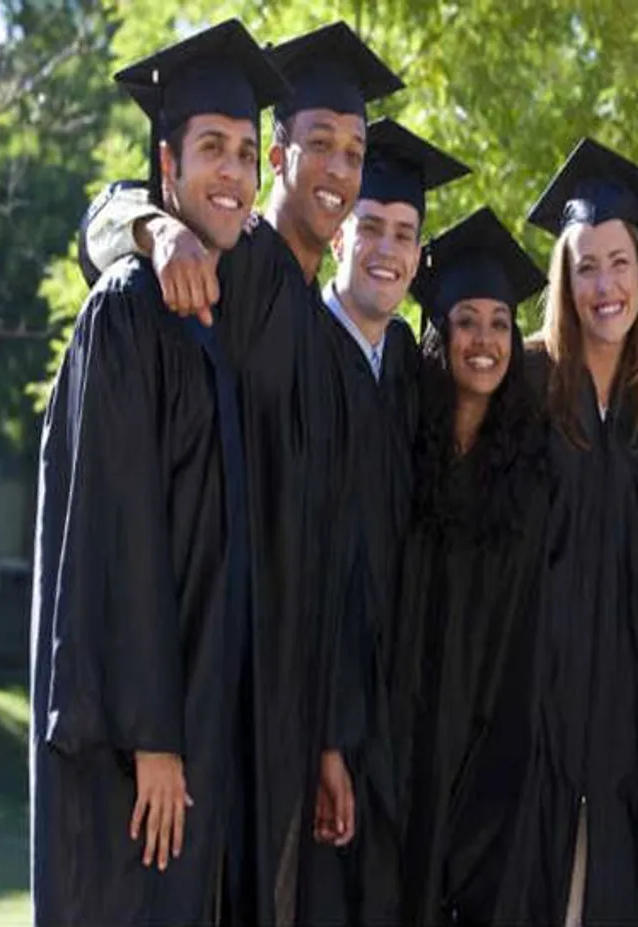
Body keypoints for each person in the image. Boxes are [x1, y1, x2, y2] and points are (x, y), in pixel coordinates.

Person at [75, 21, 407, 922]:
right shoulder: (233, 262)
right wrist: (148, 224)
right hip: (209, 686)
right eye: (320, 146)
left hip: (285, 712)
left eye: (356, 149)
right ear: (280, 156)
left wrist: (333, 737)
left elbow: (332, 547)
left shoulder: (332, 344)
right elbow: (103, 215)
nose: (340, 170)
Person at [30, 21, 288, 925]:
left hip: (204, 732)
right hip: (138, 753)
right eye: (211, 147)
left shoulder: (226, 302)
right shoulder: (130, 310)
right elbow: (119, 534)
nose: (232, 169)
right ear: (166, 168)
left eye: (248, 152)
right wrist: (157, 739)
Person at [307, 116, 471, 927]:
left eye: (405, 233)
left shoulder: (406, 365)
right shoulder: (298, 351)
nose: (387, 248)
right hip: (315, 724)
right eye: (370, 225)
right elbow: (307, 570)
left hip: (395, 728)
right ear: (339, 233)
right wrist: (328, 737)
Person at [520, 137, 638, 925]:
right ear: (564, 278)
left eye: (620, 263)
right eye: (587, 265)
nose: (605, 285)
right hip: (524, 734)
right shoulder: (521, 386)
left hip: (623, 746)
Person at [391, 206, 549, 925]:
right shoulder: (397, 451)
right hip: (391, 750)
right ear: (439, 331)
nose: (484, 340)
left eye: (500, 322)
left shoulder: (527, 478)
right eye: (467, 320)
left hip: (484, 763)